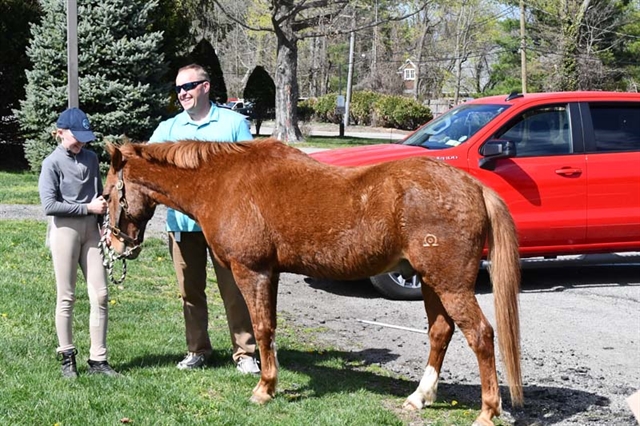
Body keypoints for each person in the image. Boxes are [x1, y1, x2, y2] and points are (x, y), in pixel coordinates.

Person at [149, 63, 260, 374]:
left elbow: (250, 172)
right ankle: (197, 349)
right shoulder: (169, 129)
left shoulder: (233, 124)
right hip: (182, 226)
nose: (183, 93)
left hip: (227, 227)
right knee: (190, 290)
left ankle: (245, 353)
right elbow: (146, 162)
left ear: (206, 86)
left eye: (189, 86)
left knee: (233, 289)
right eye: (179, 89)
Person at [39, 107, 118, 378]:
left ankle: (98, 359)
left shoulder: (91, 158)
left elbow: (99, 197)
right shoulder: (52, 163)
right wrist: (87, 209)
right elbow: (50, 205)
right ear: (61, 133)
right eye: (77, 137)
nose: (82, 142)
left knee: (101, 294)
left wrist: (104, 227)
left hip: (91, 233)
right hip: (65, 232)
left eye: (85, 137)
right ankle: (67, 356)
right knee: (67, 296)